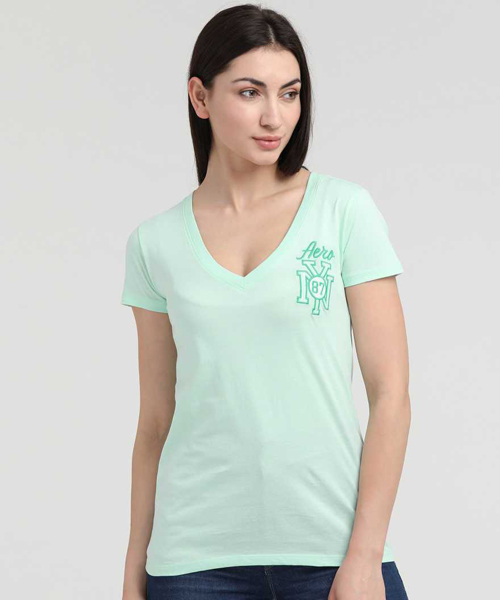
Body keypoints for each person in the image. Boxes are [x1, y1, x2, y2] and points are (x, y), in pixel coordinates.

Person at [120, 4, 411, 600]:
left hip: (330, 553)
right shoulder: (155, 242)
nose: (274, 116)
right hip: (193, 563)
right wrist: (133, 571)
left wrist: (364, 557)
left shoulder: (342, 211)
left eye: (290, 93)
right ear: (200, 97)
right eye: (250, 92)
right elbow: (154, 424)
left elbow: (391, 395)